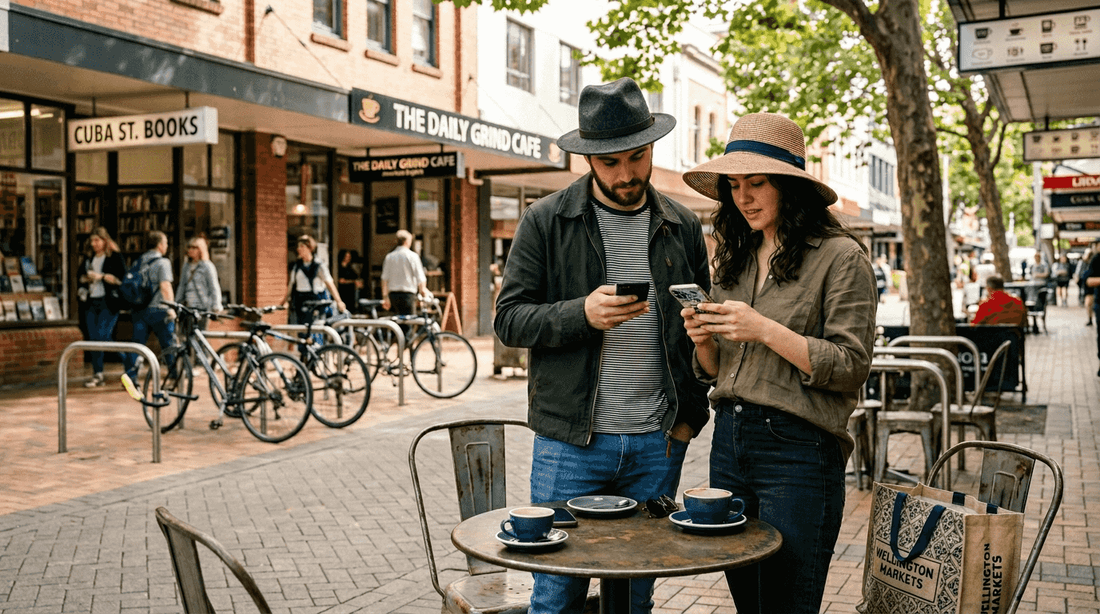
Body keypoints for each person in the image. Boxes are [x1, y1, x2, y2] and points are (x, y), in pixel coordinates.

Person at [494, 77, 711, 614]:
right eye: (610, 162)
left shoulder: (681, 224)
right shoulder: (545, 220)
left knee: (635, 599)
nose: (625, 174)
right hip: (570, 444)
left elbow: (698, 328)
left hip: (657, 444)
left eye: (636, 158)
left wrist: (688, 421)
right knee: (556, 595)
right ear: (588, 159)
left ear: (651, 148)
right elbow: (508, 321)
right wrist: (581, 313)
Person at [678, 112, 876, 613]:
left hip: (800, 450)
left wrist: (764, 329)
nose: (742, 197)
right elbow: (720, 367)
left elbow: (851, 364)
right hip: (730, 442)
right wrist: (703, 339)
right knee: (749, 601)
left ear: (789, 185)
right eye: (734, 185)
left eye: (757, 183)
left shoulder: (840, 257)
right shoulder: (738, 257)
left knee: (787, 601)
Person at [121, 230, 176, 386]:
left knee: (138, 345)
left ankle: (130, 377)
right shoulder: (163, 263)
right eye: (165, 242)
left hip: (139, 309)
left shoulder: (139, 261)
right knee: (168, 344)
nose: (166, 245)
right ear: (159, 245)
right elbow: (165, 286)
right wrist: (171, 308)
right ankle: (174, 376)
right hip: (158, 309)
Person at [76, 227, 126, 388]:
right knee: (93, 338)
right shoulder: (89, 258)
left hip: (108, 301)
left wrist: (101, 277)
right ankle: (98, 374)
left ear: (105, 241)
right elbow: (80, 276)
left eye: (97, 240)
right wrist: (86, 279)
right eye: (92, 241)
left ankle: (129, 360)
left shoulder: (114, 257)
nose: (94, 244)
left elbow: (121, 279)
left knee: (103, 336)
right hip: (91, 301)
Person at [281, 234, 345, 324]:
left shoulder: (319, 265)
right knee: (303, 331)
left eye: (302, 246)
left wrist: (339, 301)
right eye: (298, 247)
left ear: (310, 248)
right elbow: (291, 285)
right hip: (301, 301)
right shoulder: (297, 266)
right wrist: (285, 301)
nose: (298, 249)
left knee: (316, 329)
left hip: (316, 301)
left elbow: (329, 283)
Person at [381, 230, 430, 316]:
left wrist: (385, 297)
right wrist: (423, 292)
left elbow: (384, 279)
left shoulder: (389, 256)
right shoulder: (412, 256)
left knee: (396, 325)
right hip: (408, 295)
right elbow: (420, 277)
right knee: (408, 324)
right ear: (407, 241)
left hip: (393, 295)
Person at [176, 237, 223, 328]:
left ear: (200, 250)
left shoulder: (207, 266)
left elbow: (214, 287)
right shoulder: (186, 266)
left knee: (199, 335)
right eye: (189, 247)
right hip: (188, 307)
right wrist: (177, 303)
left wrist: (216, 306)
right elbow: (182, 286)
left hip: (202, 307)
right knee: (187, 337)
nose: (190, 250)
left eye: (194, 248)